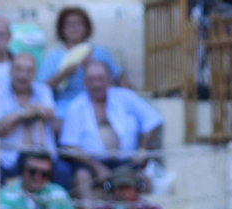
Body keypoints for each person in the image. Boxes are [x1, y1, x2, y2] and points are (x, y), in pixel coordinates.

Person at [58, 60, 162, 200]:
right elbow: (69, 145)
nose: (96, 84)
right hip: (90, 163)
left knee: (144, 182)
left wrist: (142, 150)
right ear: (85, 82)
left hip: (126, 161)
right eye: (91, 80)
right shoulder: (76, 106)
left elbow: (153, 120)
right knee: (82, 176)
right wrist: (97, 167)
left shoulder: (125, 97)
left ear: (109, 79)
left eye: (100, 79)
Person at [0, 50, 54, 180]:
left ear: (35, 74)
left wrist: (14, 117)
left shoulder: (43, 90)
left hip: (42, 158)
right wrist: (24, 112)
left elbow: (49, 113)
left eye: (29, 71)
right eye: (18, 69)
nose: (23, 75)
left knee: (63, 171)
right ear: (10, 70)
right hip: (7, 158)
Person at [40, 5, 120, 107]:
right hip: (65, 109)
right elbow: (42, 90)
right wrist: (65, 73)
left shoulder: (99, 52)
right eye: (69, 24)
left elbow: (119, 77)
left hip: (99, 108)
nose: (74, 27)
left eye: (79, 23)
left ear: (87, 28)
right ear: (62, 29)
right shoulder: (53, 56)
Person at [0, 149, 76, 209]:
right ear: (22, 170)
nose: (38, 177)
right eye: (33, 172)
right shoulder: (4, 195)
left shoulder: (59, 193)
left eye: (44, 173)